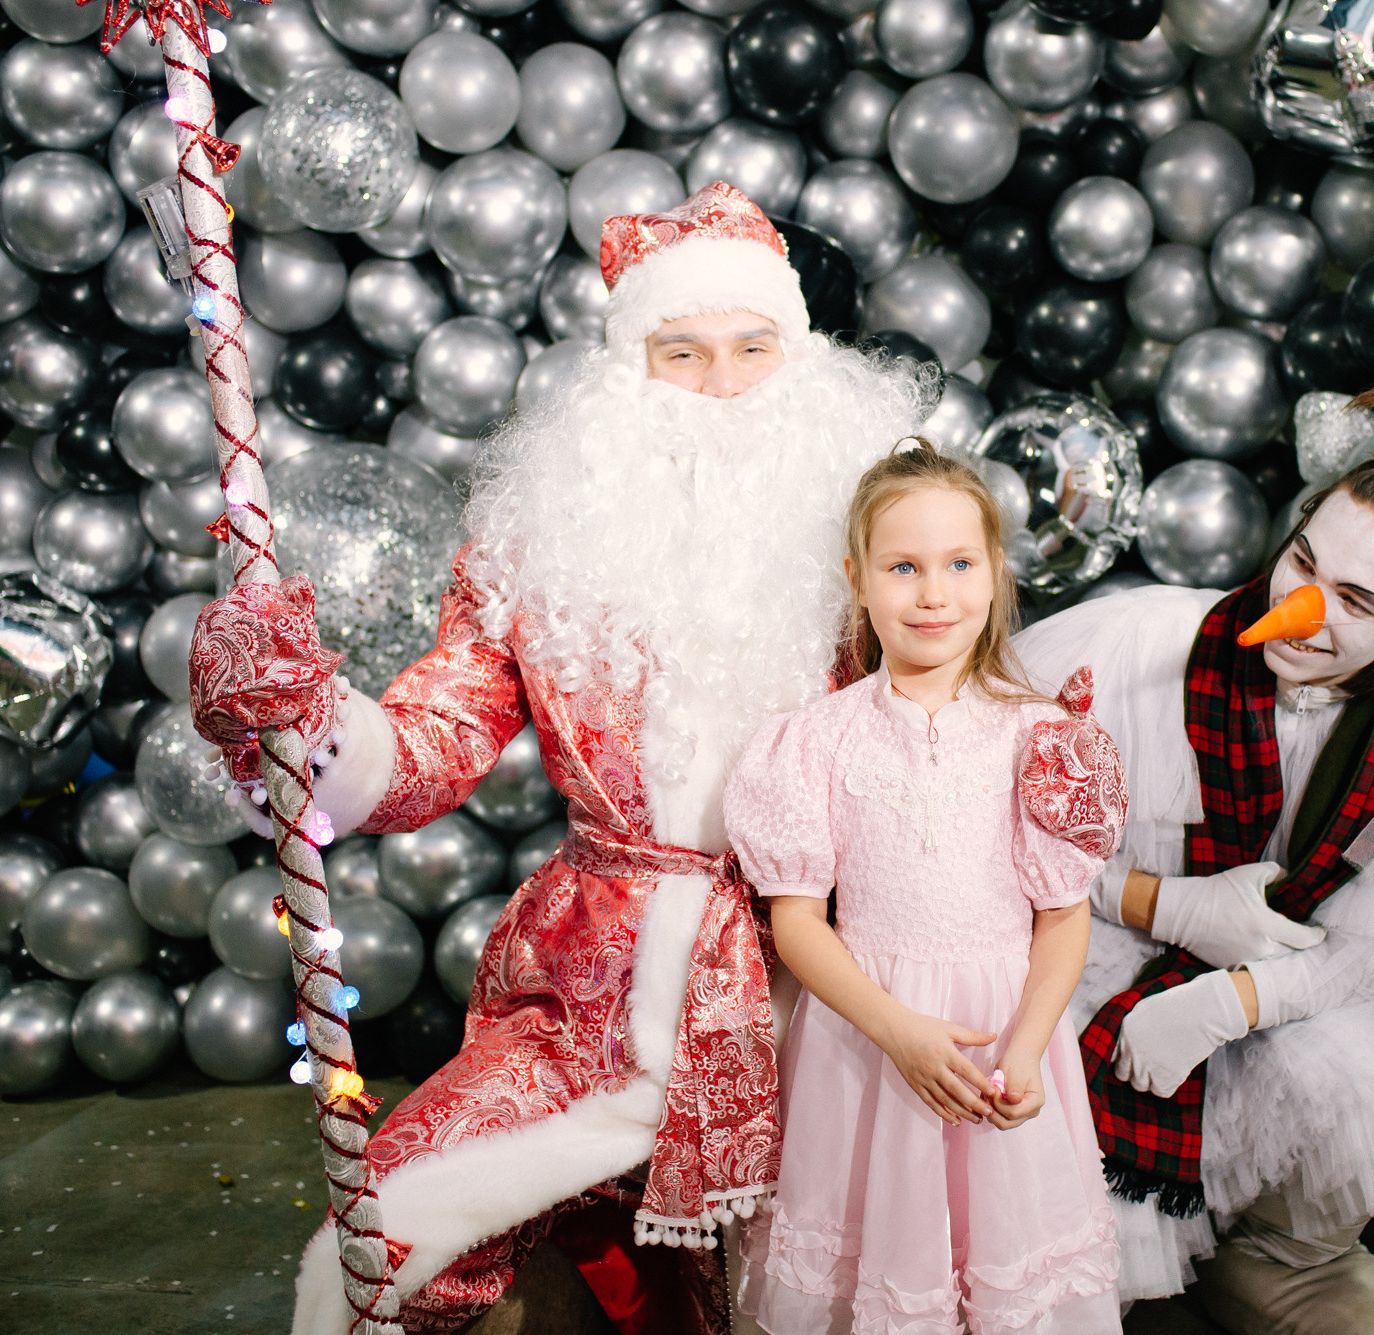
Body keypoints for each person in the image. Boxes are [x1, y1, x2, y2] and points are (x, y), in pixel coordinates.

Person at [188, 182, 934, 1335]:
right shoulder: (539, 541)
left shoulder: (879, 542)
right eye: (680, 353)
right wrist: (303, 723)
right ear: (625, 374)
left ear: (803, 360)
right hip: (589, 986)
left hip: (814, 987)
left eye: (752, 348)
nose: (722, 383)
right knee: (385, 1246)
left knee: (784, 1301)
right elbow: (437, 737)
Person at [1013, 382, 1374, 1335]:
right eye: (1304, 562)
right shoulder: (1136, 646)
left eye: (1354, 601)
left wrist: (1230, 1000)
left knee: (1364, 1063)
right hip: (1106, 939)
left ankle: (1284, 1257)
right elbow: (1000, 837)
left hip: (1300, 990)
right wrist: (1169, 907)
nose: (1302, 608)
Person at [722, 443, 1126, 1334]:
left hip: (999, 1045)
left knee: (1004, 1265)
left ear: (994, 572)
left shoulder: (1041, 737)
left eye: (958, 565)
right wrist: (895, 1027)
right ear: (858, 580)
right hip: (865, 1039)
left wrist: (1024, 1049)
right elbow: (797, 922)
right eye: (903, 567)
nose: (932, 594)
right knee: (875, 1263)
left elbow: (1061, 920)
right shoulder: (815, 740)